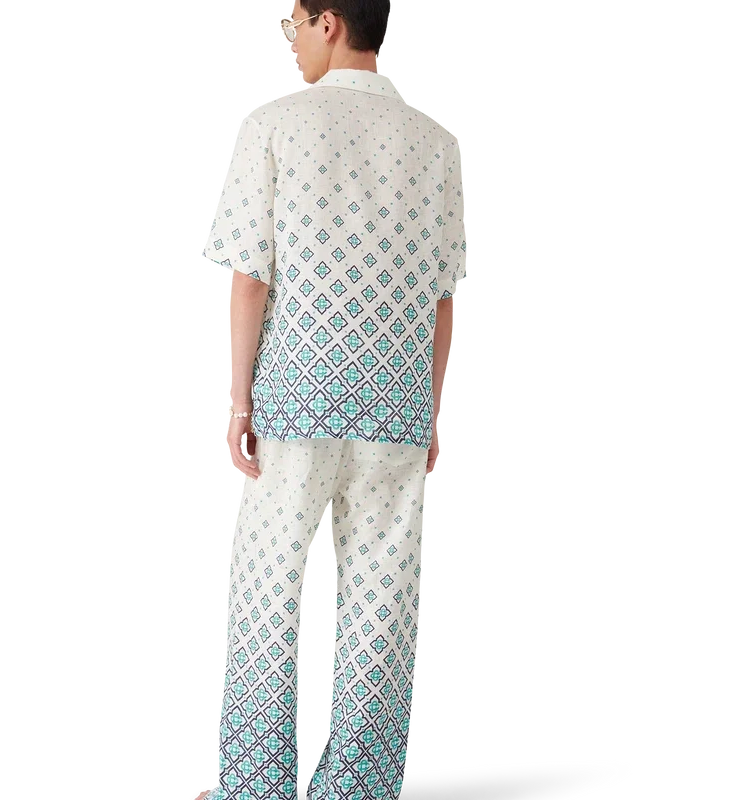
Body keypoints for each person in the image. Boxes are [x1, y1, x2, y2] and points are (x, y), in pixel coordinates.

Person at [204, 2, 468, 798]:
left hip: (296, 394)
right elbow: (443, 297)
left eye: (292, 19)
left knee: (267, 586)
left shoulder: (274, 121)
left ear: (327, 23)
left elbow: (248, 277)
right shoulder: (436, 137)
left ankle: (254, 786)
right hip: (396, 401)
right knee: (383, 597)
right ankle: (357, 787)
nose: (286, 36)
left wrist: (236, 407)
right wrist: (433, 414)